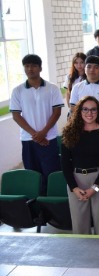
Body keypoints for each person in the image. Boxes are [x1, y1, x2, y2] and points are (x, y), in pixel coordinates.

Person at [10, 54, 63, 195]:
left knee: (51, 172)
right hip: (28, 140)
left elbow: (57, 112)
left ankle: (52, 204)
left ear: (40, 68)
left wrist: (43, 133)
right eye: (27, 66)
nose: (30, 69)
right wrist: (36, 135)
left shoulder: (52, 88)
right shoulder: (18, 90)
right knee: (33, 174)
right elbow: (16, 116)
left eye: (33, 66)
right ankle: (36, 205)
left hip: (49, 138)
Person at [61, 96, 99, 235]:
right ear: (79, 111)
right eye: (85, 109)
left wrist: (94, 188)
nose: (89, 113)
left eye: (93, 109)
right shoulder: (69, 132)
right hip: (76, 180)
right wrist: (74, 188)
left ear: (98, 112)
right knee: (79, 226)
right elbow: (65, 164)